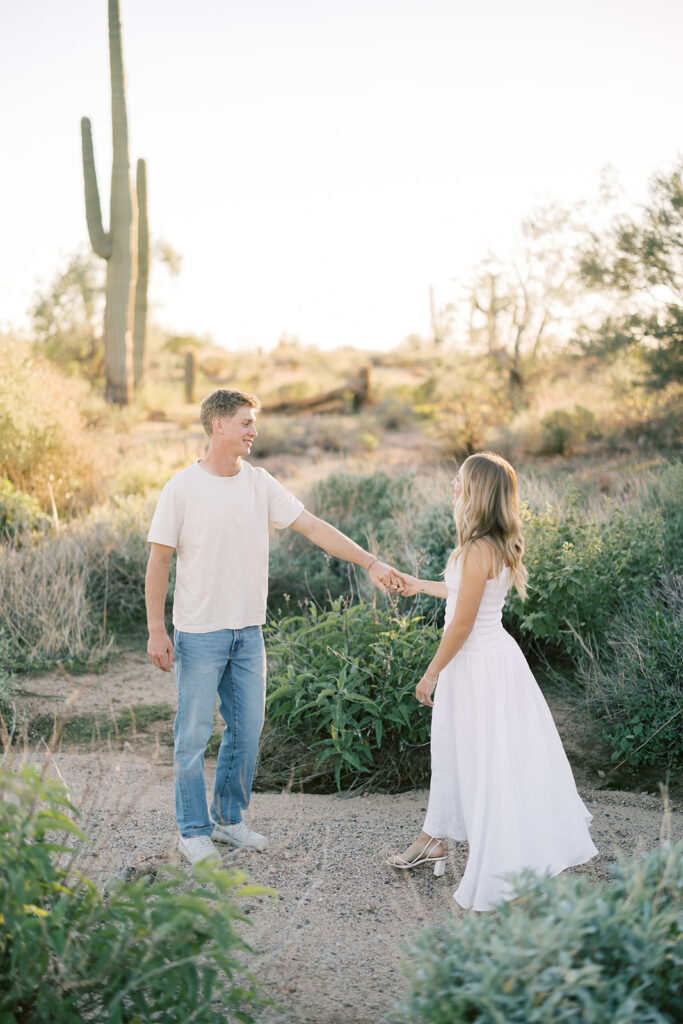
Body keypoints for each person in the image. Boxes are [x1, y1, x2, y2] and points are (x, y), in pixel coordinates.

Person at [146, 388, 401, 865]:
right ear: (219, 425)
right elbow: (159, 561)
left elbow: (314, 527)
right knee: (193, 736)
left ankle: (228, 819)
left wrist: (370, 561)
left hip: (248, 633)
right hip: (199, 633)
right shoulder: (181, 489)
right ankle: (193, 831)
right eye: (246, 422)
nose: (254, 431)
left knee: (247, 730)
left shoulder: (260, 483)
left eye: (253, 423)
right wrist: (156, 631)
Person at [388, 452, 597, 911]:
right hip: (492, 659)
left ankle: (478, 849)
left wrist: (430, 674)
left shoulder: (476, 549)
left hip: (475, 662)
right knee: (461, 753)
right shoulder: (491, 544)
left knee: (476, 757)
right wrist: (419, 584)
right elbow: (465, 593)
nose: (452, 484)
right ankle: (433, 837)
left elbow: (462, 623)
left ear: (476, 491)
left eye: (459, 479)